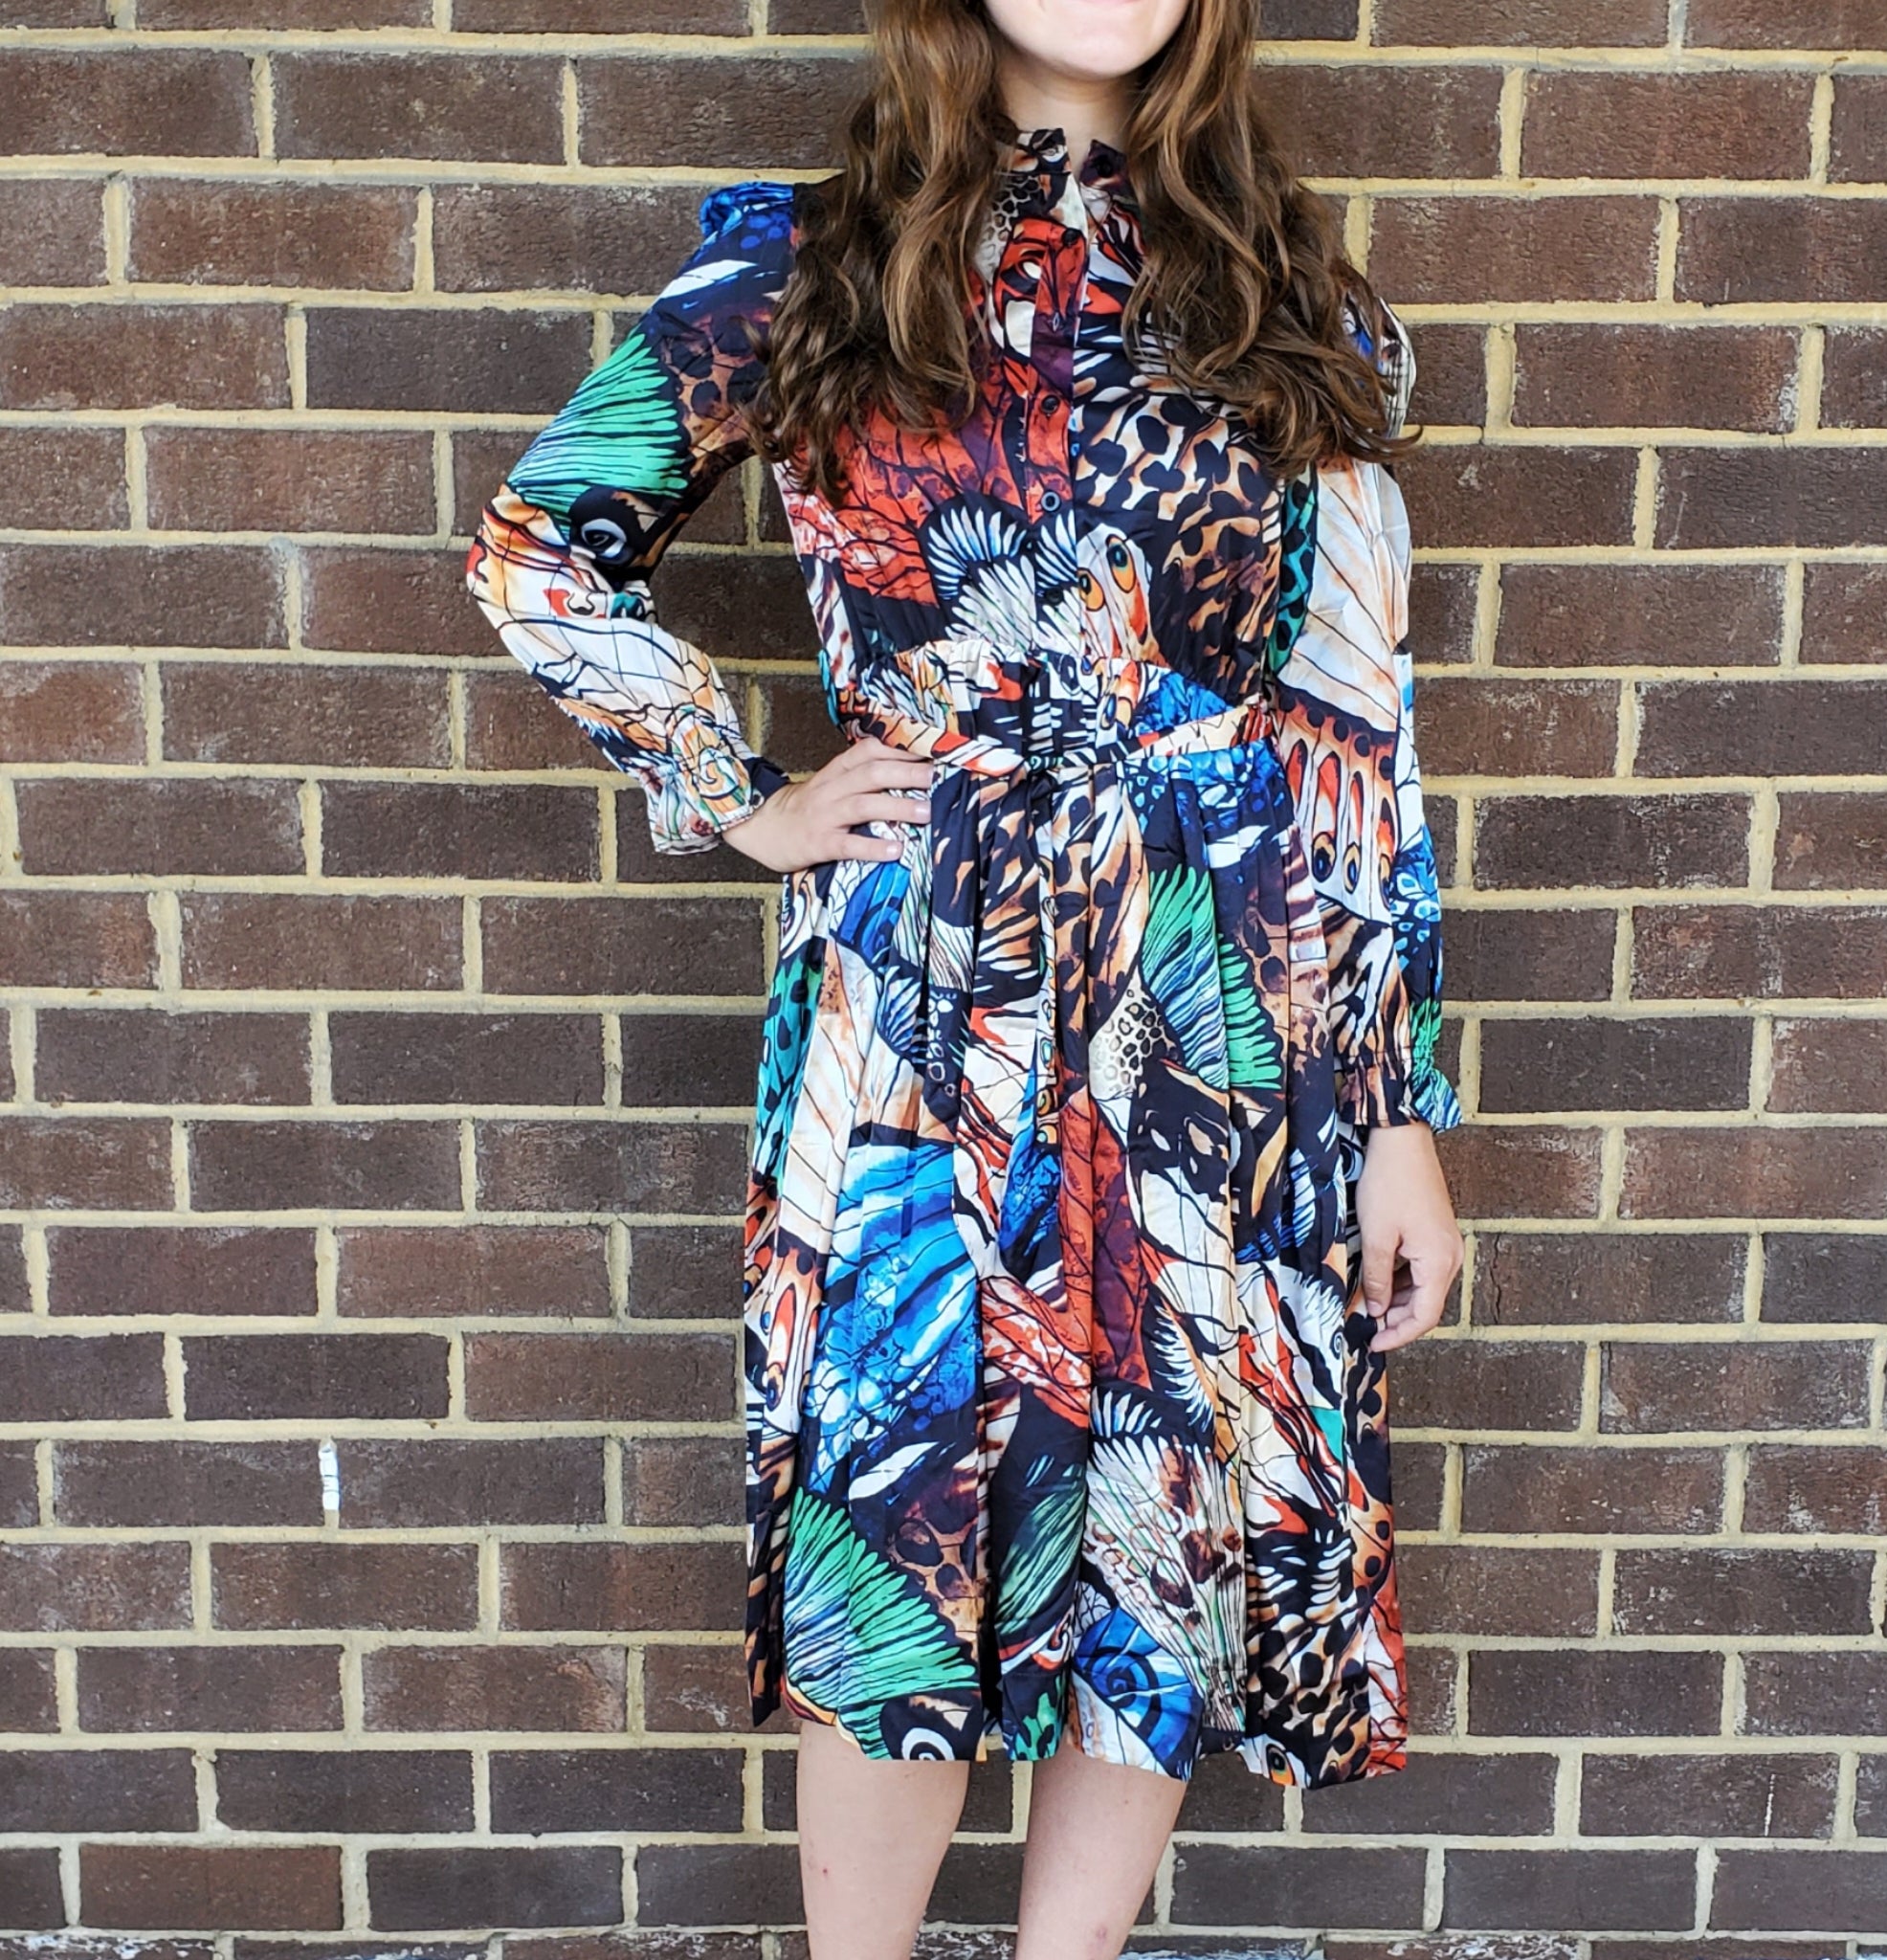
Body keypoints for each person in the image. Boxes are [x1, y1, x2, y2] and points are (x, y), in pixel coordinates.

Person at [465, 0, 1466, 1950]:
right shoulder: (815, 262)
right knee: (901, 1527)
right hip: (927, 996)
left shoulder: (1295, 300)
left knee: (1159, 1533)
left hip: (1218, 1001)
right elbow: (538, 550)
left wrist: (1396, 1113)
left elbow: (1356, 725)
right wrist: (742, 796)